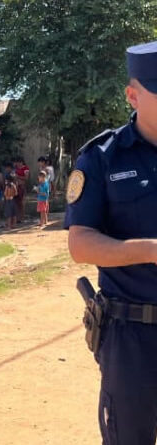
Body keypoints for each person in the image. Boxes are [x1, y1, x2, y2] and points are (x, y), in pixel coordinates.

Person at [65, 40, 157, 444]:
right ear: (133, 95)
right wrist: (150, 251)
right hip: (130, 336)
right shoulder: (103, 158)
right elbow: (80, 244)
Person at [13, 157, 30, 222]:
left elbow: (26, 178)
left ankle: (22, 217)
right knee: (16, 202)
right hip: (16, 186)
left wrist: (18, 176)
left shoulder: (25, 168)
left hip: (22, 186)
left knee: (21, 203)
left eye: (18, 162)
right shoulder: (16, 169)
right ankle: (17, 218)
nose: (17, 163)